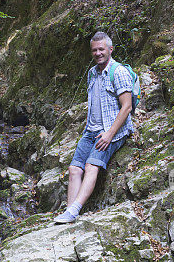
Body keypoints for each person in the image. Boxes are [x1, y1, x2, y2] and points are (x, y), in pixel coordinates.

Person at [54, 31, 133, 224]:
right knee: (74, 169)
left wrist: (109, 134)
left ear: (110, 49)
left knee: (91, 166)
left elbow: (127, 107)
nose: (97, 53)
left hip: (112, 131)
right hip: (91, 131)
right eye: (94, 50)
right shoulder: (92, 73)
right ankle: (69, 212)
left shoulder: (119, 72)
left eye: (101, 49)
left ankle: (74, 210)